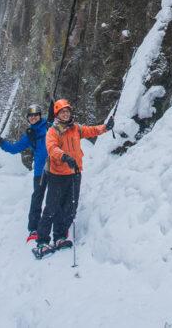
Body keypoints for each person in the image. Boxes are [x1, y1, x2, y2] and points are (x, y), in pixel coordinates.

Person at [32, 98, 113, 259]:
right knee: (51, 208)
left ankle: (60, 237)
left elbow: (91, 130)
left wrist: (105, 127)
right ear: (57, 114)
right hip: (57, 175)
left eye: (67, 111)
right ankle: (42, 241)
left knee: (70, 208)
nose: (66, 114)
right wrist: (64, 157)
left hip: (74, 174)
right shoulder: (52, 131)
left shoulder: (76, 128)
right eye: (62, 112)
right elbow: (52, 148)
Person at [0, 104, 51, 243]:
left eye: (36, 115)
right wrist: (0, 142)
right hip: (40, 171)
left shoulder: (49, 124)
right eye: (31, 116)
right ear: (28, 119)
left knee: (55, 196)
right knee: (37, 198)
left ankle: (59, 224)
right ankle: (33, 229)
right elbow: (14, 149)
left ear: (40, 115)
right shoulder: (29, 135)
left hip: (55, 168)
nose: (34, 117)